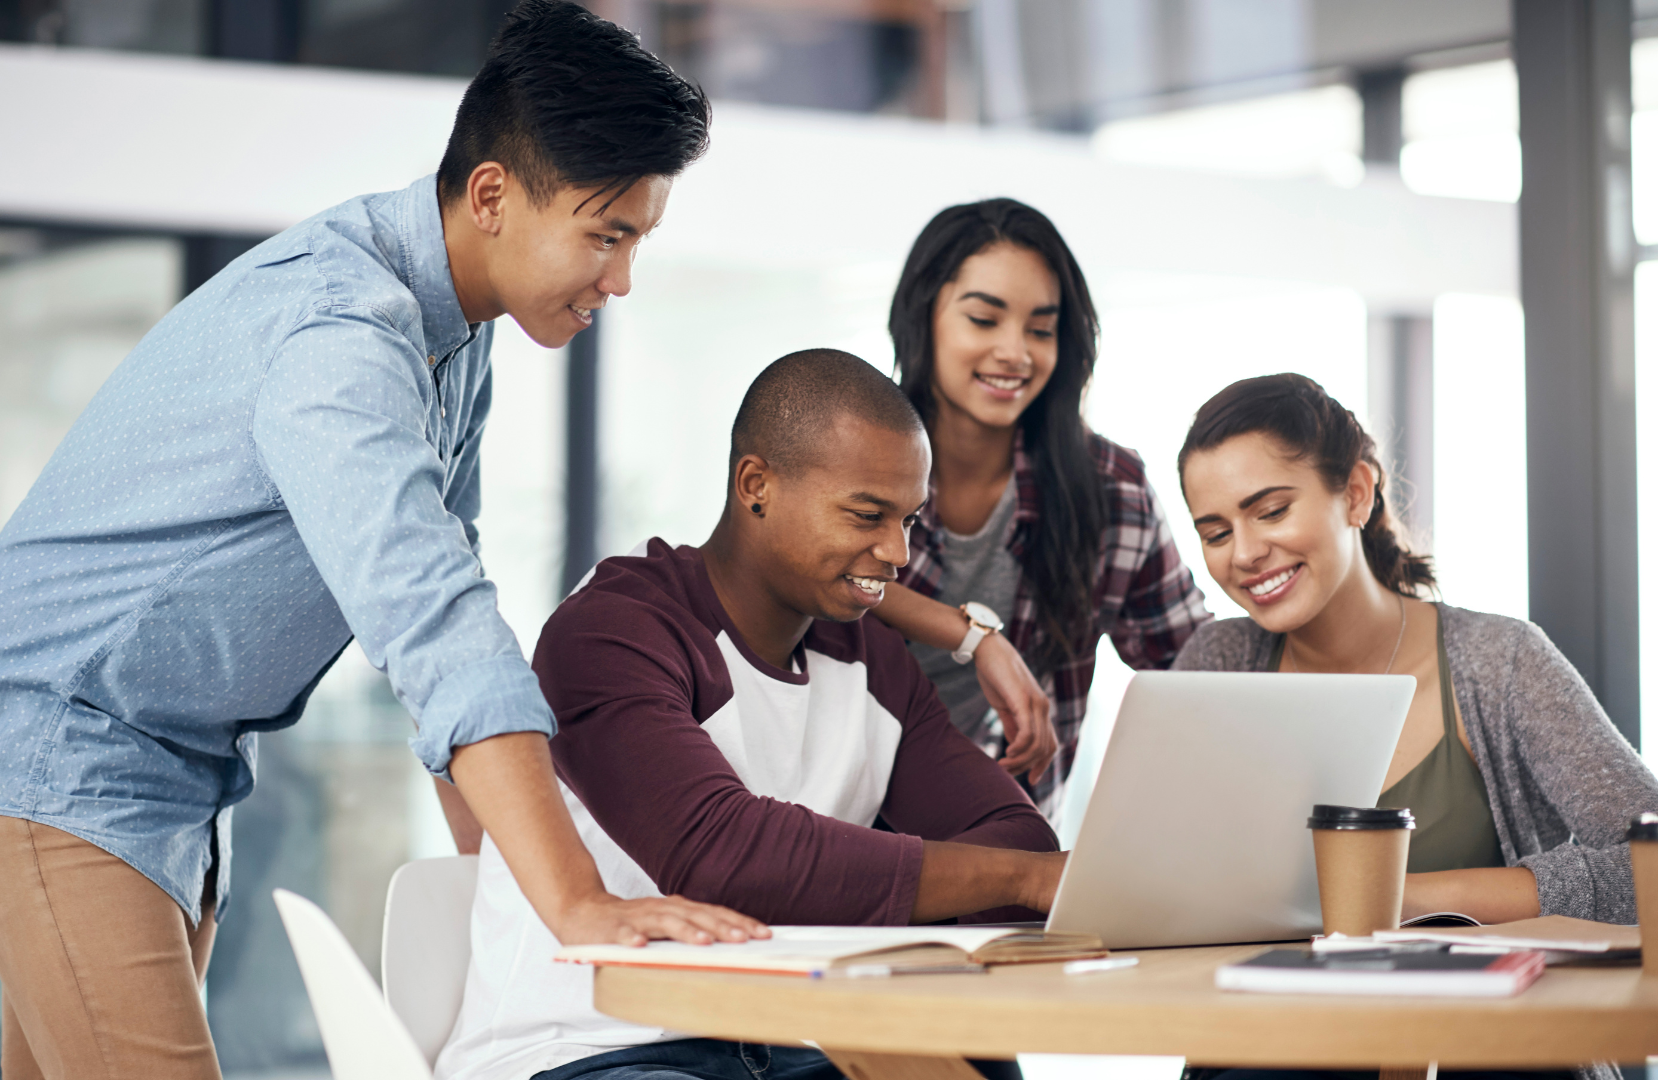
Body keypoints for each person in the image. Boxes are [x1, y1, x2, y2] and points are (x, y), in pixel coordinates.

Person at [0, 5, 766, 1078]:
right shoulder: (340, 336)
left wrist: (495, 899)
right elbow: (433, 625)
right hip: (63, 751)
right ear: (493, 194)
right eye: (607, 234)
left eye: (638, 240)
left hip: (173, 775)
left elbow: (448, 600)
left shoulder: (452, 342)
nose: (622, 280)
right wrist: (572, 902)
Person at [435, 349, 1064, 1080]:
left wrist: (1015, 875)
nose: (897, 551)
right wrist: (1021, 880)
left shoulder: (871, 660)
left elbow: (1016, 835)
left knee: (974, 1062)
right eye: (867, 515)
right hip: (591, 1048)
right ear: (756, 485)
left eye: (909, 519)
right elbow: (726, 856)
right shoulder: (613, 631)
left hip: (782, 1041)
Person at [1173, 373, 1656, 930]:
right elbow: (1147, 869)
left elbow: (1650, 865)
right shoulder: (1218, 661)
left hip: (1466, 1014)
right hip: (1247, 1010)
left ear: (1356, 492)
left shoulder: (1500, 662)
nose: (1246, 553)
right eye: (1216, 534)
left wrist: (1386, 897)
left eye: (1272, 511)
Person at [871, 198, 1211, 816]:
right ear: (925, 318)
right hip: (836, 826)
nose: (1015, 353)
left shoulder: (1111, 489)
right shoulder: (852, 452)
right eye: (984, 319)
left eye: (1040, 329)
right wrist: (977, 638)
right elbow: (789, 577)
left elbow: (1195, 674)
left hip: (1003, 846)